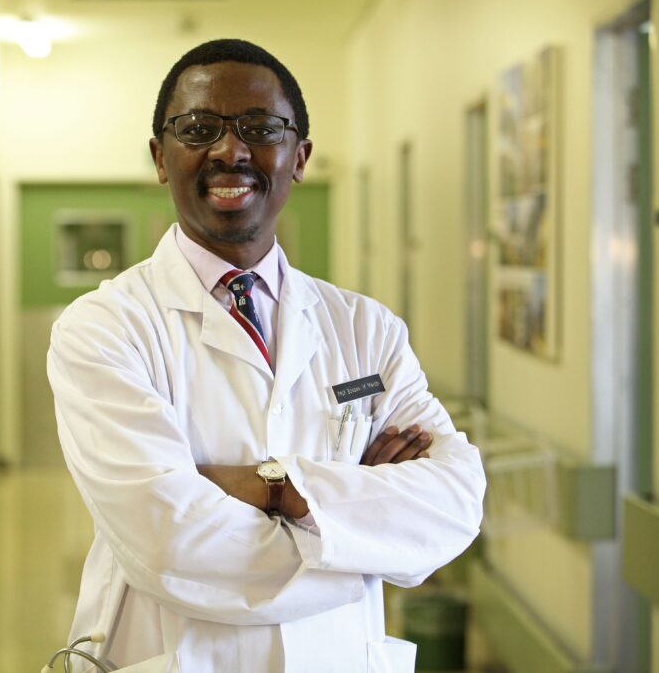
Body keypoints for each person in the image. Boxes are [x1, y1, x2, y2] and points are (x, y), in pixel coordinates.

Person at [47, 38, 485, 673]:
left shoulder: (366, 329)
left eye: (261, 128)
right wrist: (363, 541)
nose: (230, 150)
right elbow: (170, 543)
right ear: (160, 159)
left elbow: (454, 503)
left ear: (299, 157)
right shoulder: (105, 328)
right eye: (199, 128)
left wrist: (274, 491)